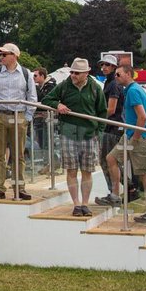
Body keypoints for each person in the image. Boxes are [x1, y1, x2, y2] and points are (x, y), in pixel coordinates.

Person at [41, 58, 105, 216]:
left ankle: (85, 203)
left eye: (77, 73)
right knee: (71, 170)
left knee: (87, 171)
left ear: (86, 73)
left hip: (89, 133)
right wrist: (58, 105)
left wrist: (99, 134)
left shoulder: (95, 88)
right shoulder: (64, 86)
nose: (73, 75)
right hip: (68, 133)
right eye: (72, 72)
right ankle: (76, 204)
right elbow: (47, 99)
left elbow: (102, 112)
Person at [0, 43, 36, 201]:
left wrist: (26, 118)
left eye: (4, 55)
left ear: (14, 55)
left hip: (18, 116)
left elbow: (32, 98)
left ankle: (19, 187)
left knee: (18, 155)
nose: (1, 57)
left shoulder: (26, 73)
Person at [109, 65, 146, 223]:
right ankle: (115, 195)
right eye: (115, 74)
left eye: (118, 74)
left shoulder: (133, 91)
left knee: (144, 174)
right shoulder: (130, 90)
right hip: (130, 134)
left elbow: (143, 117)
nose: (116, 77)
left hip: (139, 136)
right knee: (111, 158)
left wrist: (135, 138)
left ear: (128, 74)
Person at [94, 55, 127, 206]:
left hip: (113, 127)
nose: (104, 67)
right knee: (108, 161)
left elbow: (111, 109)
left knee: (108, 161)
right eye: (103, 65)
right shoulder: (109, 82)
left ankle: (116, 194)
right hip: (111, 127)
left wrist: (95, 116)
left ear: (114, 67)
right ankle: (117, 192)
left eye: (107, 65)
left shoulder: (113, 84)